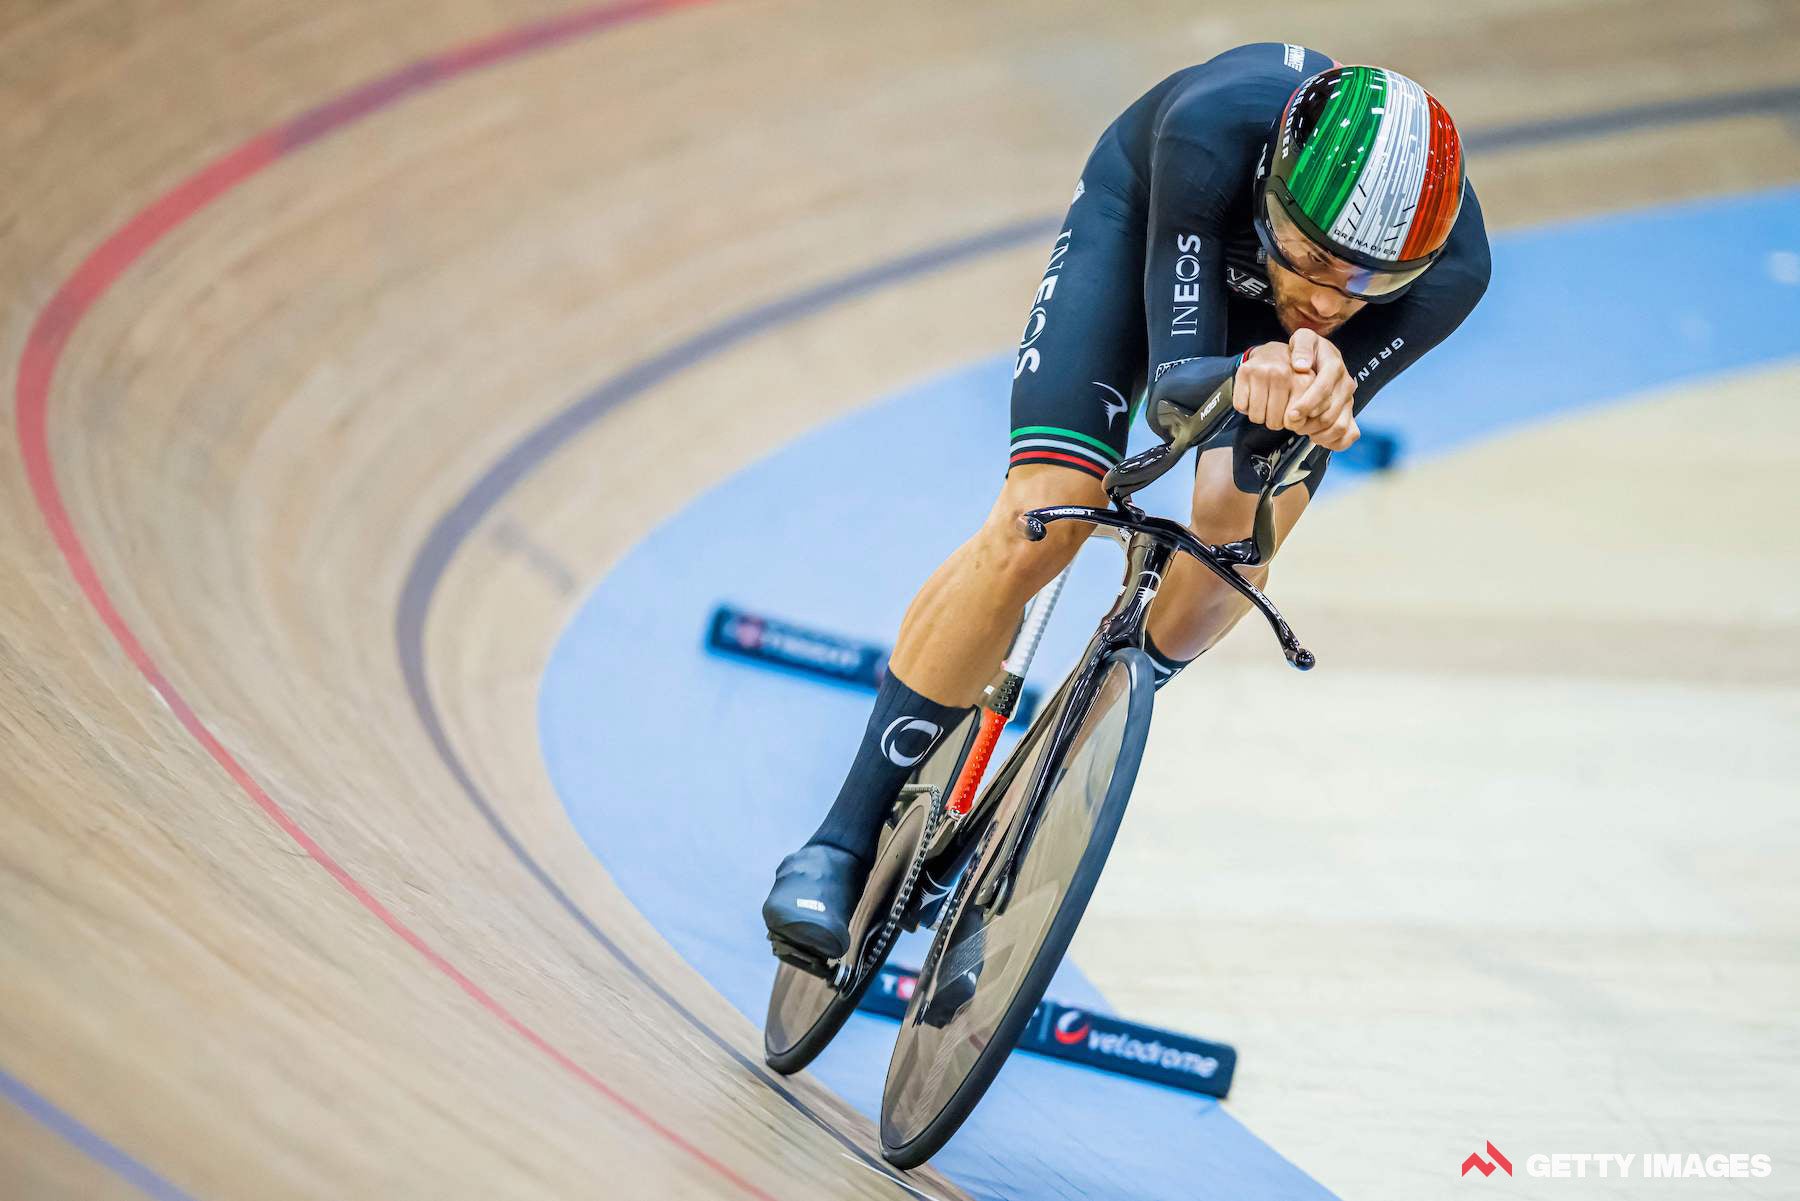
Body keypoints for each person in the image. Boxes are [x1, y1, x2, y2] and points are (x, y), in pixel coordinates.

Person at [763, 45, 1492, 958]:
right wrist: (1254, 364)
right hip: (1147, 227)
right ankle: (840, 838)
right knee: (1046, 519)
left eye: (1368, 285)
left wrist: (1311, 388)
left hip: (1267, 353)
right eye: (1309, 258)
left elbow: (1292, 428)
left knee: (1230, 549)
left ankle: (1027, 807)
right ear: (1270, 189)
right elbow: (1177, 392)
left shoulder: (1453, 271)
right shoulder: (1211, 135)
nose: (1328, 298)